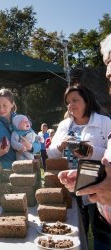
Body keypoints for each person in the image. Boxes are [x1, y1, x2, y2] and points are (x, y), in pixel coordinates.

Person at [47, 84, 111, 250]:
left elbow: (109, 154)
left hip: (98, 184)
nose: (70, 105)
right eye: (68, 101)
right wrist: (61, 145)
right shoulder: (64, 125)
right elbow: (51, 154)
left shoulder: (104, 122)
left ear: (87, 101)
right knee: (74, 229)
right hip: (70, 184)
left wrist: (89, 151)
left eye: (75, 100)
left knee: (102, 231)